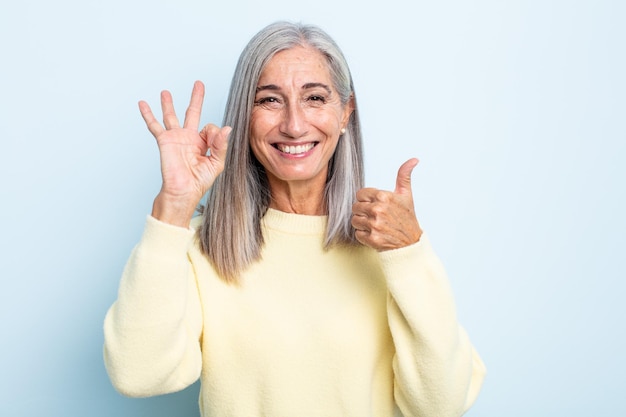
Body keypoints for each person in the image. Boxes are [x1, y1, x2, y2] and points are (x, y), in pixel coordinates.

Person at [104, 21, 486, 417]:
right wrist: (173, 207)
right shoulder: (201, 246)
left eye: (315, 98)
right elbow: (138, 375)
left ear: (345, 113)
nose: (294, 125)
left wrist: (411, 253)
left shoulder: (389, 242)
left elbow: (441, 405)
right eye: (269, 100)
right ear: (244, 116)